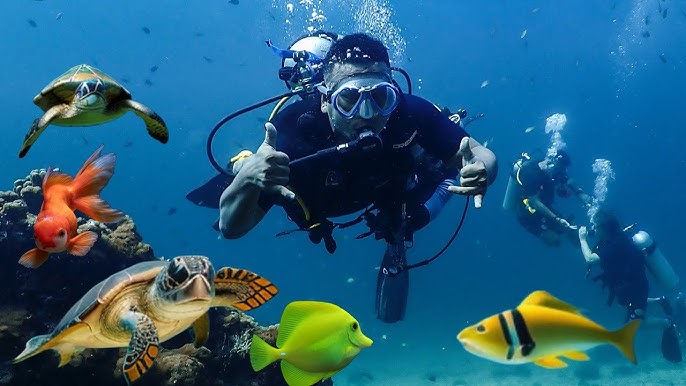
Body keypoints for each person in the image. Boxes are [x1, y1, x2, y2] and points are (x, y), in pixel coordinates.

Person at [218, 33, 497, 323]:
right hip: (318, 204)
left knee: (426, 184)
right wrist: (247, 179)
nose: (366, 114)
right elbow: (231, 228)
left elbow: (481, 154)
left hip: (385, 191)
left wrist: (481, 171)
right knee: (251, 175)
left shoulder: (410, 113)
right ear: (326, 100)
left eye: (380, 98)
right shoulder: (291, 133)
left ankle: (398, 229)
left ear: (394, 94)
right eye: (349, 99)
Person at [578, 210, 682, 362]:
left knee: (637, 324)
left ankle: (666, 324)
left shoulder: (617, 243)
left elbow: (590, 259)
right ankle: (660, 301)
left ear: (604, 228)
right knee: (626, 305)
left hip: (635, 287)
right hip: (625, 287)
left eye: (596, 226)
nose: (594, 229)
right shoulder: (611, 240)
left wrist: (582, 239)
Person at [503, 150, 591, 246]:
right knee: (554, 240)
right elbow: (534, 202)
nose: (561, 171)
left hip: (544, 205)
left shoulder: (556, 170)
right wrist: (556, 219)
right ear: (552, 162)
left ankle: (582, 248)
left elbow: (567, 180)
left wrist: (579, 193)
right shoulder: (531, 174)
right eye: (560, 168)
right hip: (527, 212)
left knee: (570, 231)